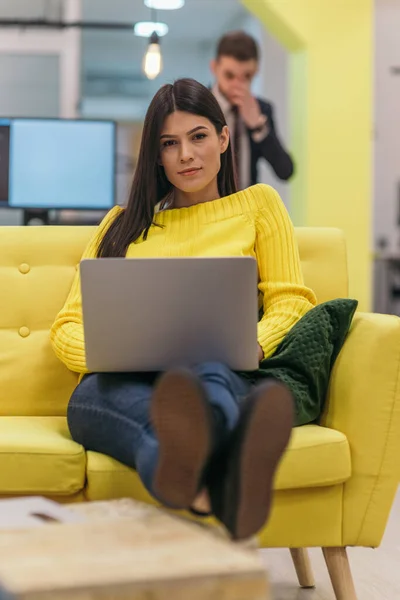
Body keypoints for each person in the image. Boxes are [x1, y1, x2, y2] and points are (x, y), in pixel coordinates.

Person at [50, 78, 317, 542]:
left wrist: (254, 342)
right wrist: (112, 353)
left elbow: (291, 300)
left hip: (213, 372)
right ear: (157, 156)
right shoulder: (121, 225)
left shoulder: (259, 206)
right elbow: (67, 325)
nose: (186, 156)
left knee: (209, 372)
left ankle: (199, 482)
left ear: (222, 138)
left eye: (197, 137)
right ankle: (223, 479)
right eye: (169, 144)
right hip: (121, 382)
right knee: (88, 398)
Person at [211, 30, 294, 189]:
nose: (237, 84)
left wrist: (257, 126)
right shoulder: (197, 105)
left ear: (256, 71)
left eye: (246, 76)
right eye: (229, 75)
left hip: (247, 209)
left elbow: (285, 171)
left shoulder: (262, 109)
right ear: (214, 68)